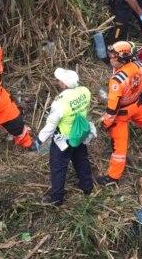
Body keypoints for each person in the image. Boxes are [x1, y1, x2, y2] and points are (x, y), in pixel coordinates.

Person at [98, 41, 142, 185]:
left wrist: (105, 123)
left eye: (113, 56)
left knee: (119, 147)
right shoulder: (140, 65)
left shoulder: (117, 81)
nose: (110, 59)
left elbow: (112, 109)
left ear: (122, 58)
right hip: (137, 104)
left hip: (121, 114)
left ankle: (112, 177)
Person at [38, 68, 95, 206]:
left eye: (59, 81)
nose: (57, 82)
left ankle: (57, 198)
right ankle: (87, 186)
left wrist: (39, 139)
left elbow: (51, 125)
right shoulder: (85, 92)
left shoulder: (60, 102)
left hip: (63, 139)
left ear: (64, 84)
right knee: (81, 159)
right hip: (80, 134)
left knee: (58, 167)